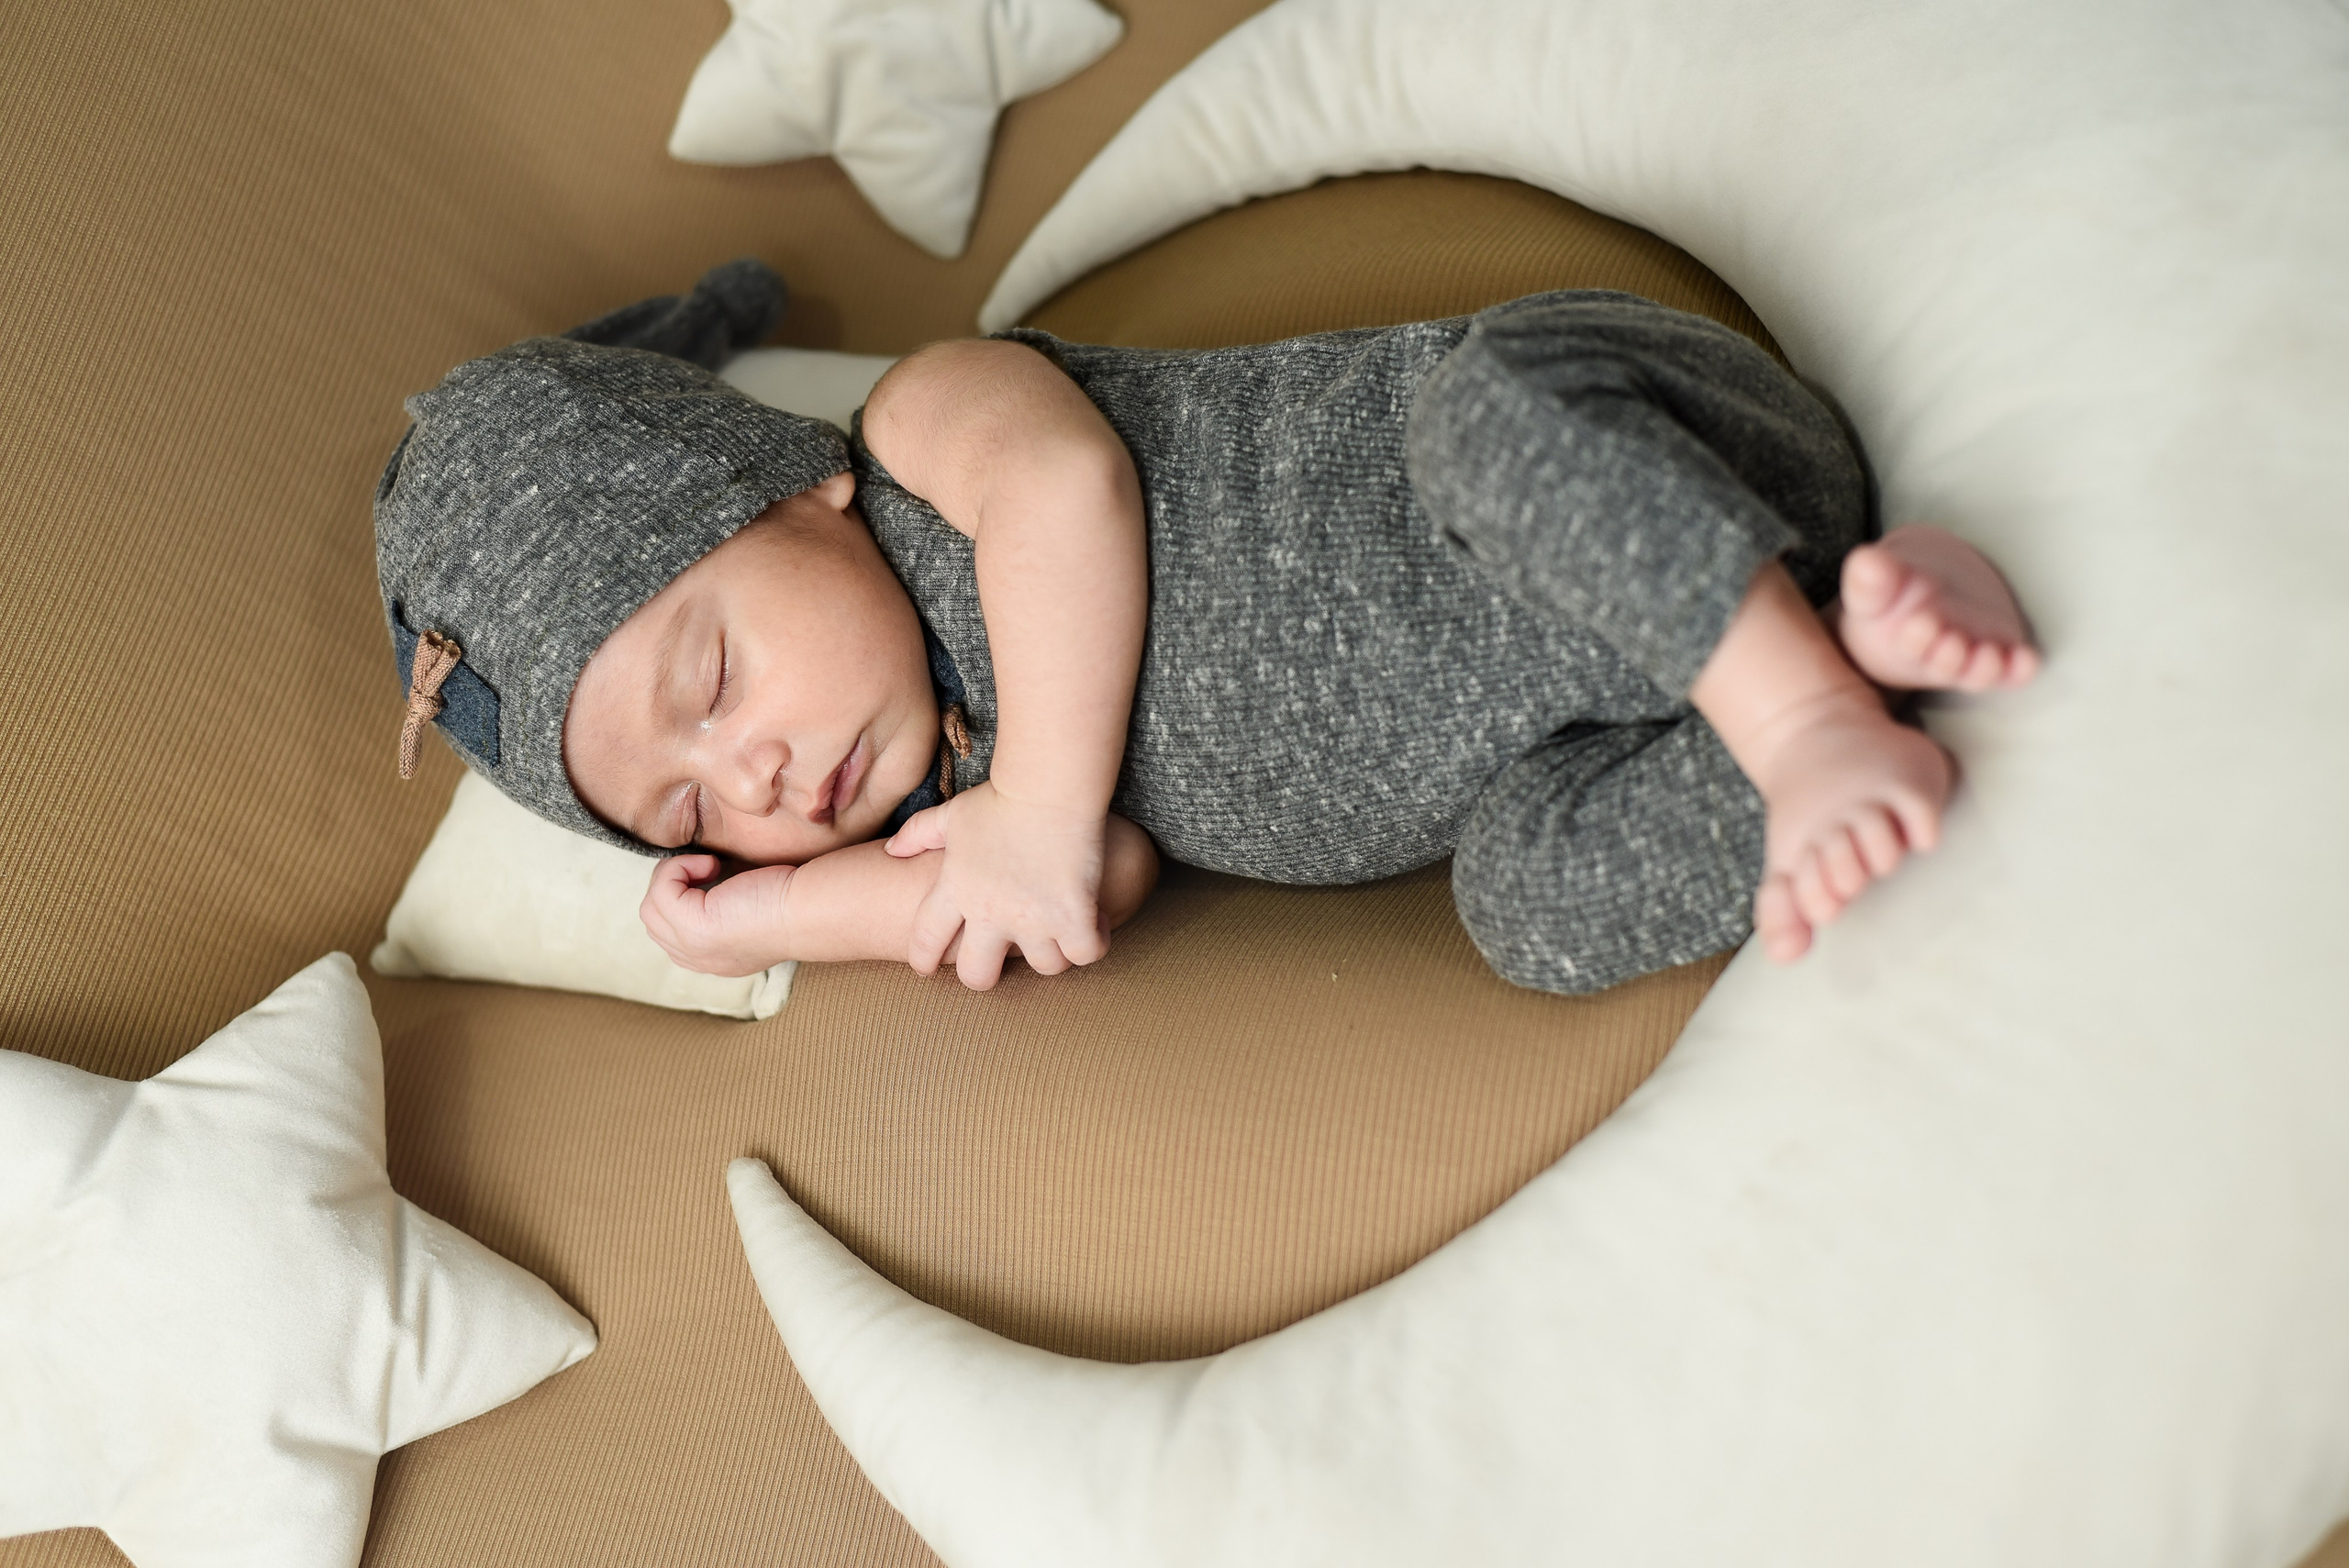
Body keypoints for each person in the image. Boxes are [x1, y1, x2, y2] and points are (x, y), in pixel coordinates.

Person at [375, 261, 2036, 995]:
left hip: (1600, 435)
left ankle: (1799, 710)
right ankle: (1844, 653)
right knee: (1522, 908)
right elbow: (1080, 892)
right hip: (1606, 704)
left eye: (715, 678)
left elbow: (1069, 493)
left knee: (1481, 425)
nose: (758, 771)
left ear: (787, 489)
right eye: (693, 811)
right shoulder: (978, 779)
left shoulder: (919, 434)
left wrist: (1030, 810)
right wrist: (780, 919)